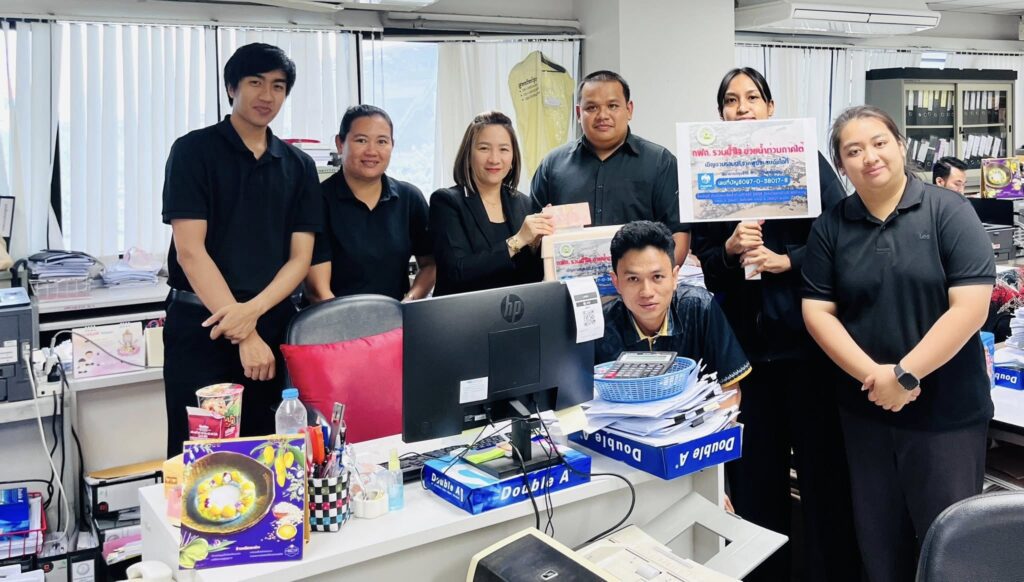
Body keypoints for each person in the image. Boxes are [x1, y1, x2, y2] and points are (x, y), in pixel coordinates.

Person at [803, 105, 995, 582]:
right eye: (853, 150)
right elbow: (818, 312)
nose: (869, 157)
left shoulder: (949, 210)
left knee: (950, 552)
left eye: (879, 143)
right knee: (880, 548)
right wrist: (876, 378)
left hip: (946, 416)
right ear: (841, 165)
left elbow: (970, 307)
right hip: (866, 415)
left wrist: (905, 375)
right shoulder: (831, 227)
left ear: (900, 146)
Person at [690, 67, 860, 582]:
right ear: (721, 112)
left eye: (752, 98)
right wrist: (729, 248)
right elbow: (704, 261)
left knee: (824, 481)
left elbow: (842, 236)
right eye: (731, 100)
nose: (741, 108)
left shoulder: (802, 156)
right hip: (745, 360)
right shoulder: (709, 167)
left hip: (809, 352)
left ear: (769, 107)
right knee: (756, 486)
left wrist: (788, 261)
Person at [161, 43, 322, 457]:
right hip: (202, 327)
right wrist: (244, 332)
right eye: (255, 82)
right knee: (202, 458)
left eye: (278, 86)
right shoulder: (193, 151)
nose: (267, 95)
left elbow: (300, 258)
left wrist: (253, 316)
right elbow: (190, 252)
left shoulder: (299, 165)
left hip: (272, 326)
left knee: (273, 452)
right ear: (232, 87)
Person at [530, 70, 690, 265]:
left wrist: (654, 278)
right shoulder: (552, 165)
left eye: (612, 106)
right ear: (579, 113)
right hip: (567, 281)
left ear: (629, 110)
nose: (602, 115)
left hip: (640, 281)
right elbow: (532, 235)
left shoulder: (660, 162)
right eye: (592, 107)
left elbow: (679, 233)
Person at [597, 221, 749, 406]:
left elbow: (730, 389)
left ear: (674, 276)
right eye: (633, 279)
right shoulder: (600, 325)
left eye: (657, 277)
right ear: (616, 282)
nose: (647, 292)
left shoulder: (698, 307)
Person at [305, 105, 435, 303]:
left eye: (382, 141)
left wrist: (409, 302)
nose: (372, 151)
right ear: (340, 144)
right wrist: (353, 321)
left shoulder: (410, 198)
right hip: (332, 317)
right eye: (361, 140)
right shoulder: (316, 201)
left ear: (392, 145)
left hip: (395, 316)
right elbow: (318, 290)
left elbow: (430, 264)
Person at [430, 111, 552, 296]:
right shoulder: (446, 201)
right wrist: (518, 241)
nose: (494, 159)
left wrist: (538, 244)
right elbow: (456, 271)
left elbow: (530, 279)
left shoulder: (523, 203)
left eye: (504, 149)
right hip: (463, 312)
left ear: (513, 157)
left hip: (512, 311)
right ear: (468, 155)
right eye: (484, 148)